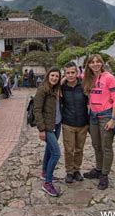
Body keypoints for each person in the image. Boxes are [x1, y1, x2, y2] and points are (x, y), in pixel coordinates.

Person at [82, 54, 115, 190]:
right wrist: (63, 79)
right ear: (88, 64)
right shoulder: (88, 78)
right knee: (96, 144)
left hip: (106, 116)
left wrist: (113, 119)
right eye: (92, 62)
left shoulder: (109, 78)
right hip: (93, 115)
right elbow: (74, 77)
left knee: (106, 146)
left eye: (97, 61)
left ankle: (104, 175)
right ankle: (98, 169)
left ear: (102, 63)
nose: (95, 64)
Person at [33, 67, 62, 197]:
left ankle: (45, 173)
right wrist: (41, 129)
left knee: (49, 150)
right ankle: (48, 183)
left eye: (57, 76)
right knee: (56, 153)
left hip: (57, 124)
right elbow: (37, 110)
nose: (54, 78)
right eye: (52, 76)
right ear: (48, 76)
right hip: (48, 127)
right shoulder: (42, 89)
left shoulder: (56, 89)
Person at [60, 62, 89, 184]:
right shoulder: (61, 87)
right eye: (68, 73)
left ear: (77, 73)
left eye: (73, 72)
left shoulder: (83, 86)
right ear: (64, 74)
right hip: (68, 123)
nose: (71, 75)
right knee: (68, 149)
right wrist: (61, 82)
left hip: (83, 123)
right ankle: (69, 172)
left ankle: (77, 170)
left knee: (79, 149)